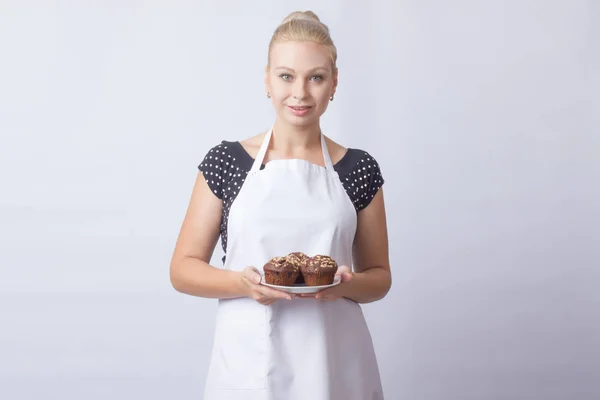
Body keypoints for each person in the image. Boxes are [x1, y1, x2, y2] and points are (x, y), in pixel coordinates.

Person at [170, 10, 391, 400]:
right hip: (247, 361)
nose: (300, 93)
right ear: (268, 80)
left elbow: (379, 277)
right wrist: (240, 283)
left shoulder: (358, 168)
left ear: (334, 83)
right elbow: (182, 269)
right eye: (286, 76)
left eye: (316, 77)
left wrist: (347, 285)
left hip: (335, 364)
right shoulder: (226, 162)